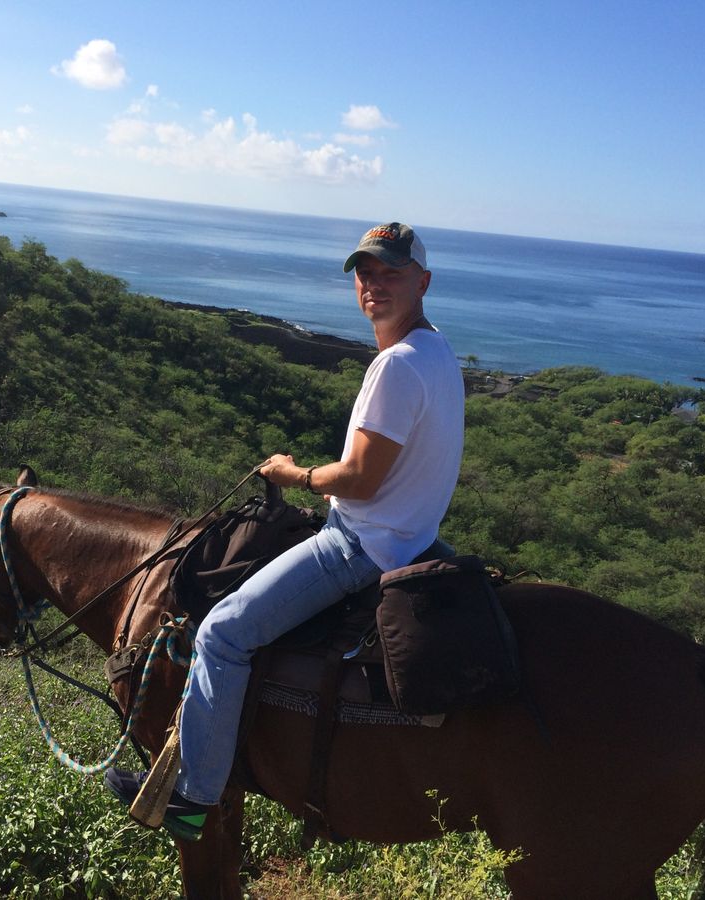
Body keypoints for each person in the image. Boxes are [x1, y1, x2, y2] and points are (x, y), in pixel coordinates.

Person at [106, 222, 465, 841]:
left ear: (423, 281)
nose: (374, 283)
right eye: (366, 272)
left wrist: (293, 473)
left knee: (221, 634)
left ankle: (191, 804)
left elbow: (358, 479)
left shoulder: (397, 367)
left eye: (391, 272)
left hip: (363, 545)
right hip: (416, 537)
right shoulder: (437, 351)